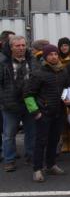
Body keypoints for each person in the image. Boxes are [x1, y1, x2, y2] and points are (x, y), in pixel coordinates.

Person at [24, 44, 70, 182]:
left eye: (56, 54)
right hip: (43, 113)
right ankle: (37, 169)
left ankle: (51, 165)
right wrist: (36, 112)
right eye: (50, 54)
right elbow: (28, 94)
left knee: (54, 140)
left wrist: (69, 99)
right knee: (41, 142)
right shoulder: (38, 73)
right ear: (45, 56)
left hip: (59, 112)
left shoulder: (63, 72)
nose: (54, 56)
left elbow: (67, 88)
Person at [1, 36, 36, 172]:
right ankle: (9, 160)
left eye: (23, 45)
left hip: (30, 102)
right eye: (17, 46)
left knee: (31, 132)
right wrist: (4, 100)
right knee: (9, 134)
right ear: (11, 48)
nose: (21, 48)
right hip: (10, 104)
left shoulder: (32, 61)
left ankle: (31, 156)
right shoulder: (3, 63)